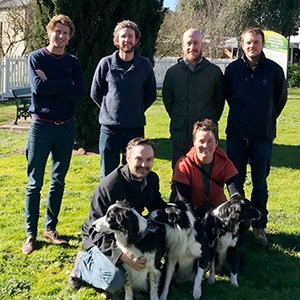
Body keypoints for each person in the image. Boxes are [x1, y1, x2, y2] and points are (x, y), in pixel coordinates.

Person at [21, 15, 86, 255]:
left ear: (69, 37)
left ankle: (51, 228)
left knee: (58, 181)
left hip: (66, 127)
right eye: (57, 31)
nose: (60, 36)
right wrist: (66, 84)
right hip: (41, 127)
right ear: (49, 32)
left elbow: (79, 91)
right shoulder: (36, 57)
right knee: (34, 182)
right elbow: (38, 89)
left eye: (65, 33)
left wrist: (56, 85)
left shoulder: (73, 62)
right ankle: (31, 235)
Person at [68, 137, 166, 295]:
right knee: (115, 280)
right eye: (138, 159)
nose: (144, 165)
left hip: (127, 235)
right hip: (99, 236)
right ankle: (82, 264)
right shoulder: (110, 186)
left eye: (149, 159)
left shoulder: (151, 178)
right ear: (127, 158)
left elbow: (155, 204)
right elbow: (95, 230)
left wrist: (175, 212)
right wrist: (123, 257)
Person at [224, 28, 287, 246]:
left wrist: (265, 118)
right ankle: (237, 225)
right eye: (248, 42)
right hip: (237, 136)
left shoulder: (274, 70)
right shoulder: (232, 70)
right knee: (235, 182)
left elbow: (279, 100)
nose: (252, 46)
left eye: (256, 42)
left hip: (262, 137)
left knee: (260, 183)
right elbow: (229, 98)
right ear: (242, 44)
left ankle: (259, 227)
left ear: (262, 44)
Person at [162, 28, 225, 200]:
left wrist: (208, 126)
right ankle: (176, 214)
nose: (192, 47)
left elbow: (220, 102)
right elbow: (169, 101)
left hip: (205, 139)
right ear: (182, 46)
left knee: (207, 176)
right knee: (178, 174)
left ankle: (207, 214)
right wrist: (180, 118)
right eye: (188, 43)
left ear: (202, 44)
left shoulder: (214, 72)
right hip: (180, 134)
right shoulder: (173, 73)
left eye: (196, 42)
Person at [90, 20, 157, 179]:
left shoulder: (144, 65)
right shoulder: (105, 63)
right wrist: (110, 110)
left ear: (137, 40)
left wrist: (136, 109)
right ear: (117, 40)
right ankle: (108, 204)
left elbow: (151, 94)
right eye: (123, 36)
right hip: (109, 129)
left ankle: (131, 204)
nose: (127, 40)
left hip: (135, 128)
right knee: (108, 175)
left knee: (134, 173)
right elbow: (95, 92)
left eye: (131, 36)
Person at [173, 119, 240, 218]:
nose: (205, 146)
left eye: (210, 141)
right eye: (201, 141)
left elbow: (235, 192)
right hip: (190, 210)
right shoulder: (183, 164)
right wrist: (195, 224)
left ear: (216, 143)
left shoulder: (225, 162)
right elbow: (184, 201)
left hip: (217, 208)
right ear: (194, 142)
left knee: (244, 221)